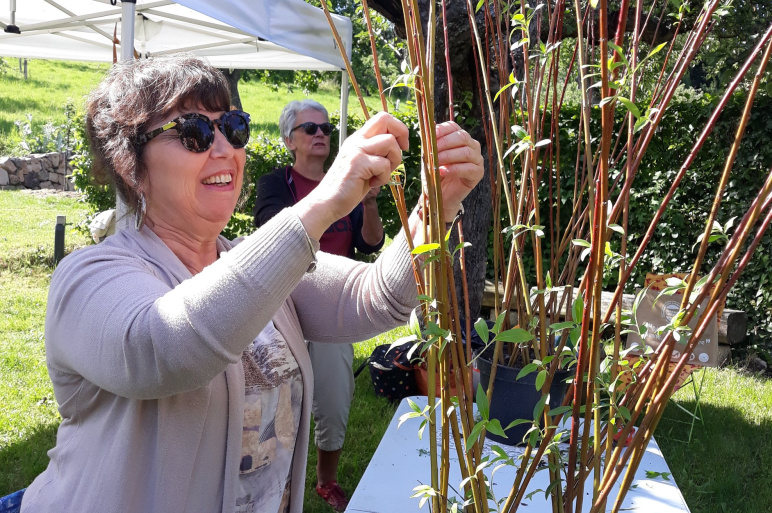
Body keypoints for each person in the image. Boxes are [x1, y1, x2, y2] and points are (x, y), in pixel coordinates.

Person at [20, 54, 483, 513]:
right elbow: (163, 349)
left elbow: (379, 299)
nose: (224, 148)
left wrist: (435, 207)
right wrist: (323, 202)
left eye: (233, 127)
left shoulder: (252, 262)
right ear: (131, 167)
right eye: (194, 132)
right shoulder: (88, 277)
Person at [253, 100, 383, 511]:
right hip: (285, 303)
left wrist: (370, 200)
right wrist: (337, 196)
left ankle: (326, 480)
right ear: (289, 140)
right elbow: (273, 232)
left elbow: (372, 243)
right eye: (310, 129)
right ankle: (277, 481)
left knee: (334, 392)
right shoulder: (275, 183)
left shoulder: (349, 185)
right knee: (278, 398)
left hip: (333, 307)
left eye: (326, 128)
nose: (322, 134)